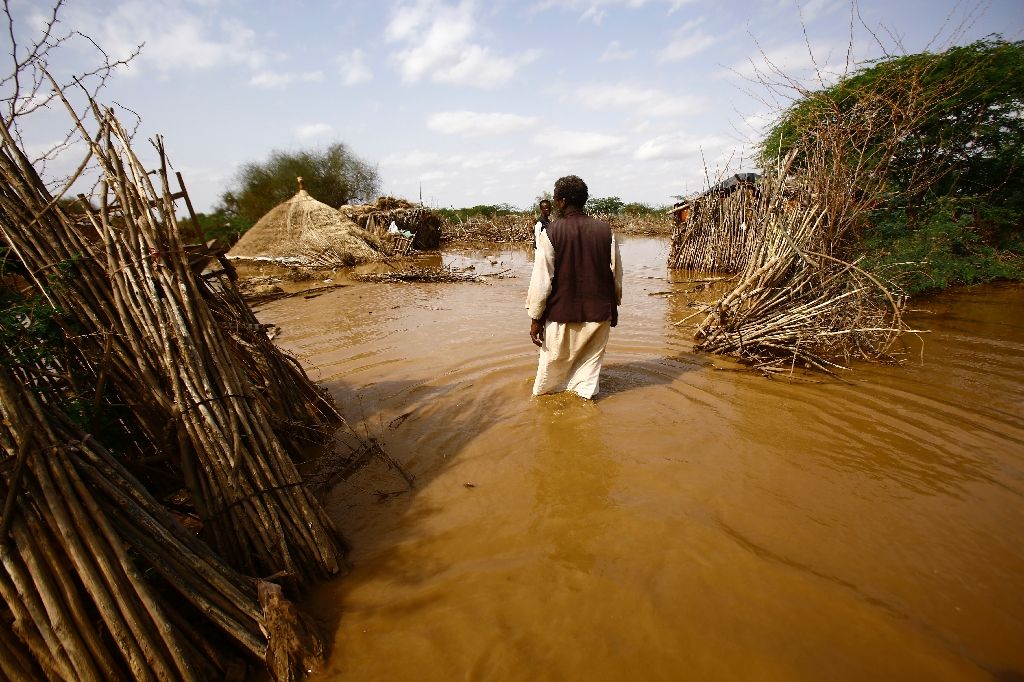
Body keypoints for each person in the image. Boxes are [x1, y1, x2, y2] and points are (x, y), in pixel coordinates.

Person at [526, 175, 622, 399]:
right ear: (584, 200)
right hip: (599, 316)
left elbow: (541, 281)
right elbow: (617, 274)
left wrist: (535, 318)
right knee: (587, 381)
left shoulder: (550, 233)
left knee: (548, 381)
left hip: (560, 315)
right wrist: (614, 305)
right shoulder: (606, 231)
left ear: (560, 201)